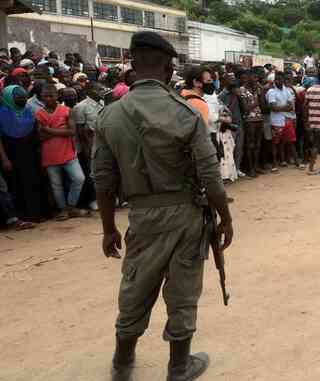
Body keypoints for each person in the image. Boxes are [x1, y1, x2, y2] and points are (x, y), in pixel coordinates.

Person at [94, 31, 233, 381]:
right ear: (170, 67)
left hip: (141, 215)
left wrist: (109, 228)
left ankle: (123, 363)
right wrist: (226, 217)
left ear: (132, 64)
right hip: (185, 214)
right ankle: (179, 367)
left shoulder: (109, 116)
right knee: (183, 289)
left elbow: (104, 181)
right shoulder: (185, 113)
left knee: (135, 287)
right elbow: (211, 176)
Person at [36, 84, 89, 220]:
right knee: (56, 185)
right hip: (49, 154)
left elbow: (72, 131)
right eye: (45, 96)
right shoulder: (39, 113)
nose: (48, 99)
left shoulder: (66, 110)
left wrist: (50, 130)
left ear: (57, 96)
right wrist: (61, 130)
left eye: (51, 96)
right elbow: (40, 136)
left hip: (68, 153)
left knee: (79, 178)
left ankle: (70, 207)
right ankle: (63, 209)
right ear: (41, 98)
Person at [0, 85, 48, 223]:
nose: (21, 99)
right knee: (16, 185)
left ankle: (37, 214)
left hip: (31, 154)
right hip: (11, 156)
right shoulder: (2, 113)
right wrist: (4, 159)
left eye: (23, 97)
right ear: (9, 98)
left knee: (34, 183)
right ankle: (21, 216)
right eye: (18, 97)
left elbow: (36, 134)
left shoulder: (28, 111)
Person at [71, 82, 105, 211]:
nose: (102, 91)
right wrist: (87, 149)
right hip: (88, 145)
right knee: (90, 173)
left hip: (101, 142)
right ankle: (92, 199)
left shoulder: (102, 103)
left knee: (100, 172)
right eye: (99, 89)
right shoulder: (81, 107)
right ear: (90, 91)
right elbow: (80, 131)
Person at [267, 71, 302, 170]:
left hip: (287, 120)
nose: (278, 81)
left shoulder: (287, 90)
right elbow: (273, 108)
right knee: (275, 143)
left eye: (280, 79)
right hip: (276, 121)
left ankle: (296, 162)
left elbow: (291, 106)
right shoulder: (271, 92)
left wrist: (280, 108)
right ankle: (274, 164)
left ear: (283, 80)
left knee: (291, 141)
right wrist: (284, 108)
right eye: (276, 79)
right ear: (274, 80)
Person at [239, 69, 265, 177]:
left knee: (258, 144)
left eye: (257, 78)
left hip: (259, 119)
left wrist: (260, 95)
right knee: (250, 145)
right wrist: (257, 101)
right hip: (249, 120)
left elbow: (263, 106)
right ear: (248, 77)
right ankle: (250, 168)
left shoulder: (258, 89)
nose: (256, 80)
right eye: (254, 78)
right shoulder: (242, 90)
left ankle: (256, 166)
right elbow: (245, 108)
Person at [218, 79, 246, 178]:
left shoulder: (238, 96)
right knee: (229, 149)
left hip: (239, 124)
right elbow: (221, 111)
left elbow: (244, 109)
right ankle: (228, 172)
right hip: (229, 127)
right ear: (232, 88)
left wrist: (240, 97)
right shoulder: (223, 96)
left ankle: (237, 169)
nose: (239, 89)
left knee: (239, 148)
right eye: (237, 88)